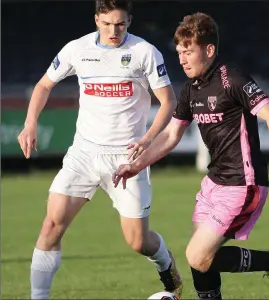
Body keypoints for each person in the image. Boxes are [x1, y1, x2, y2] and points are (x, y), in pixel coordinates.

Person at [113, 12, 269, 300]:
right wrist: (135, 166)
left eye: (188, 52)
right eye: (179, 53)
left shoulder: (232, 79)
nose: (182, 59)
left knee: (197, 256)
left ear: (208, 50)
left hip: (243, 182)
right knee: (201, 261)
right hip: (214, 183)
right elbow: (171, 136)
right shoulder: (190, 90)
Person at [17, 0, 183, 299]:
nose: (113, 31)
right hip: (84, 153)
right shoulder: (77, 50)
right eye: (107, 24)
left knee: (137, 241)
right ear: (96, 20)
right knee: (51, 224)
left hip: (128, 157)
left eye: (120, 24)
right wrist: (30, 123)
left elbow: (169, 102)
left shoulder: (144, 53)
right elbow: (43, 86)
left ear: (129, 20)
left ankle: (165, 262)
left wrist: (147, 139)